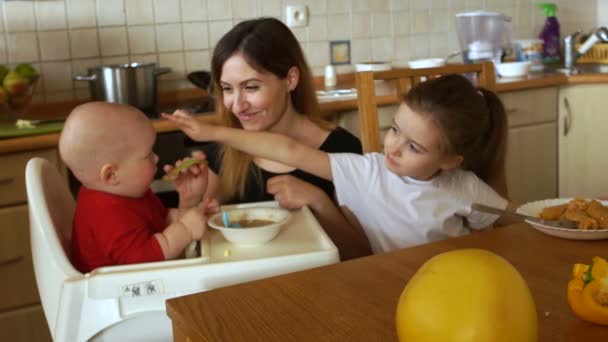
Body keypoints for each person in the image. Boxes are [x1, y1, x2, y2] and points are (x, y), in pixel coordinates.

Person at [163, 74, 521, 254]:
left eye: (413, 146)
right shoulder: (366, 170)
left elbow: (522, 222)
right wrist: (214, 132)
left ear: (450, 160)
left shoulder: (465, 187)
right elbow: (287, 148)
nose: (393, 148)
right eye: (394, 130)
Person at [185, 17, 371, 260]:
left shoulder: (340, 149)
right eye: (228, 89)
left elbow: (362, 254)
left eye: (251, 87)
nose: (237, 105)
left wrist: (318, 201)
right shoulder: (221, 152)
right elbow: (195, 253)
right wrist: (189, 201)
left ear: (290, 80)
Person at [59, 102, 218, 273]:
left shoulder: (128, 192)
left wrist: (191, 214)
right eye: (147, 155)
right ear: (111, 175)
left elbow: (159, 220)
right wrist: (186, 229)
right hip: (116, 295)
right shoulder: (107, 215)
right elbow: (144, 259)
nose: (156, 158)